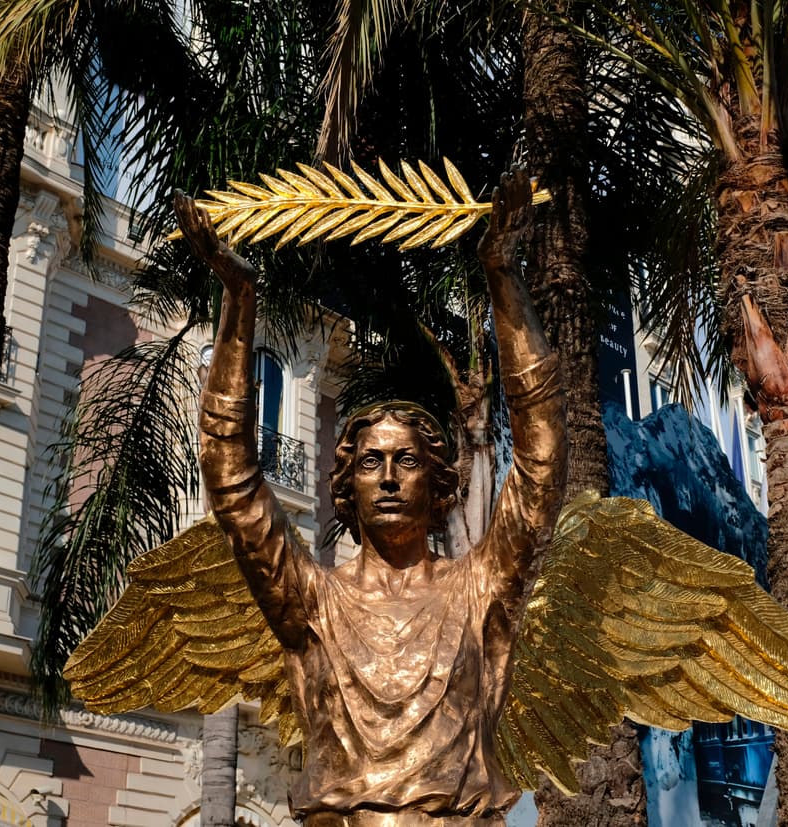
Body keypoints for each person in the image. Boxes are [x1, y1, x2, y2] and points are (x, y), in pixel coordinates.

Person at [174, 166, 568, 826]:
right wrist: (240, 303)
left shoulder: (481, 589)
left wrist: (502, 274)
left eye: (406, 460)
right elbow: (232, 479)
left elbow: (541, 466)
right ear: (346, 489)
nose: (386, 476)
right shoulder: (312, 603)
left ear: (440, 486)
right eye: (370, 462)